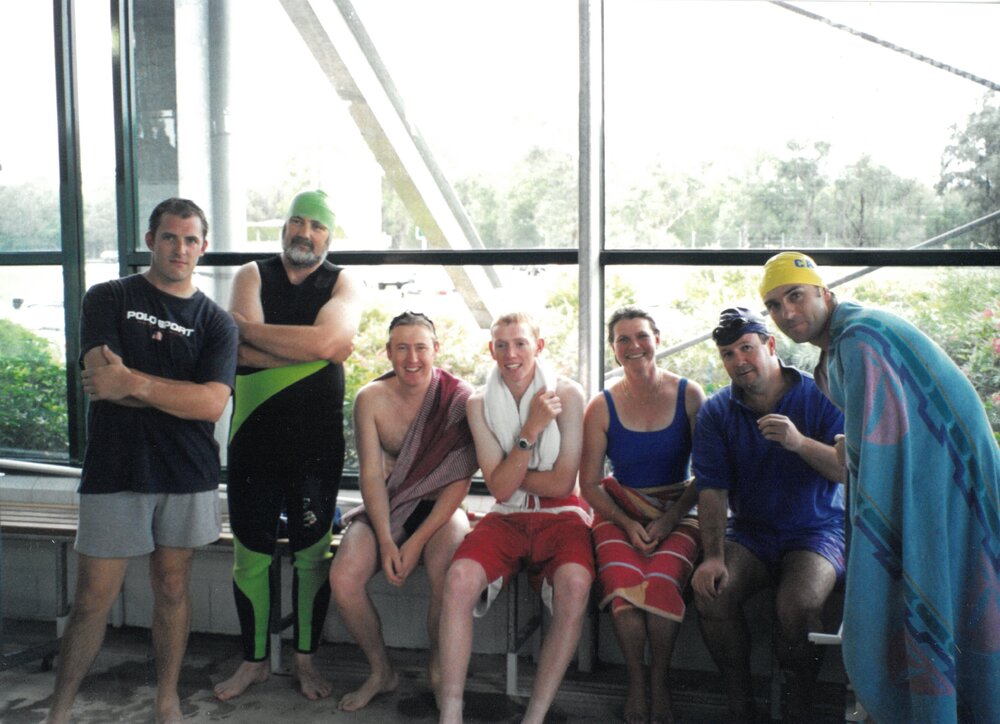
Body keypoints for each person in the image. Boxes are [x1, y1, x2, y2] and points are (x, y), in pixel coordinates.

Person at [760, 251, 1000, 723]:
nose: (788, 312)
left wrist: (852, 452)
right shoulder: (842, 344)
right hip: (941, 481)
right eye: (774, 305)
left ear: (824, 295)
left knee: (940, 591)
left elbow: (888, 449)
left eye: (796, 296)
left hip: (950, 485)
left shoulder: (861, 339)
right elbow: (881, 432)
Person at [44, 198, 238, 724]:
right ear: (150, 240)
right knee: (91, 600)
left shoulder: (216, 323)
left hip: (187, 471)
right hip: (115, 468)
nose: (181, 248)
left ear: (203, 247)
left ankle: (167, 700)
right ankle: (58, 712)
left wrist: (135, 382)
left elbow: (212, 404)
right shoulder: (108, 297)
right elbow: (101, 383)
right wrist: (171, 393)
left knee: (173, 588)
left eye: (191, 239)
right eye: (171, 237)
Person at [214, 190, 362, 701]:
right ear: (284, 227)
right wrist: (317, 351)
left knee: (311, 556)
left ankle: (305, 661)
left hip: (315, 445)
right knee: (249, 555)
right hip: (253, 438)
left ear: (329, 235)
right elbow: (240, 348)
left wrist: (254, 335)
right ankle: (253, 662)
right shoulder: (251, 274)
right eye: (297, 221)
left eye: (316, 226)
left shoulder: (343, 281)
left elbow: (322, 343)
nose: (305, 232)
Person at [438, 312, 595, 724]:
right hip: (506, 517)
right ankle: (450, 712)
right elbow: (502, 492)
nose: (511, 354)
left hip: (563, 517)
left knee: (576, 585)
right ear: (491, 350)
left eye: (521, 343)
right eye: (502, 345)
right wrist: (532, 429)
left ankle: (535, 715)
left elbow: (564, 484)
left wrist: (511, 469)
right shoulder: (478, 404)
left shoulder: (570, 393)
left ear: (538, 346)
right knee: (458, 580)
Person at [690, 306, 845, 722]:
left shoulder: (821, 394)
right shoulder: (717, 411)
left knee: (796, 607)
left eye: (747, 348)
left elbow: (846, 469)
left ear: (770, 345)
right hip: (752, 531)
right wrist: (713, 555)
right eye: (728, 353)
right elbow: (712, 489)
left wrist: (798, 443)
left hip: (818, 530)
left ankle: (800, 706)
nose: (738, 360)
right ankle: (740, 702)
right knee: (713, 591)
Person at [329, 311, 479, 711]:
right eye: (401, 348)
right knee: (343, 577)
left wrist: (414, 543)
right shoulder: (370, 399)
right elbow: (372, 478)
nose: (412, 358)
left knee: (447, 572)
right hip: (389, 506)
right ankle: (382, 671)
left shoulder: (460, 399)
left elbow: (459, 481)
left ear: (436, 351)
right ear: (388, 352)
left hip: (441, 509)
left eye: (420, 348)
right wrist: (384, 538)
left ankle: (437, 665)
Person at [579, 306, 706, 724]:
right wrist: (628, 523)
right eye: (623, 340)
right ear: (613, 350)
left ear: (657, 338)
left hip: (680, 509)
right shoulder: (601, 405)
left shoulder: (690, 394)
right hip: (621, 510)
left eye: (641, 336)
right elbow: (591, 484)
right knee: (625, 590)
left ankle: (660, 684)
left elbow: (707, 474)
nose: (634, 346)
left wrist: (669, 521)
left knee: (662, 581)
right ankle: (637, 683)